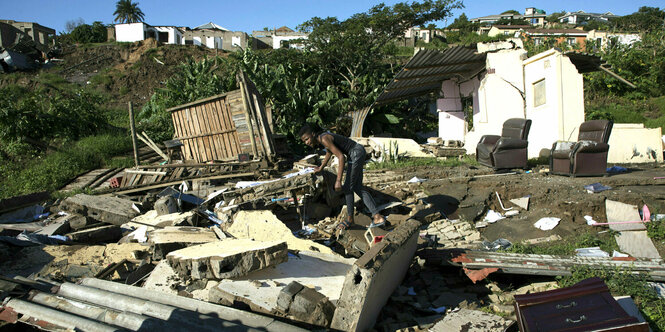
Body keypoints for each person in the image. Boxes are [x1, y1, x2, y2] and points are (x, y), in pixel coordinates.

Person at [299, 125, 386, 231]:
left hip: (355, 153)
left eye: (307, 139)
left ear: (313, 134)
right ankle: (377, 216)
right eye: (304, 141)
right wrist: (321, 167)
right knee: (357, 187)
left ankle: (350, 219)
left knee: (347, 188)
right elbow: (329, 152)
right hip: (356, 152)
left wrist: (338, 180)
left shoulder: (324, 138)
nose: (307, 142)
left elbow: (340, 156)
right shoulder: (322, 138)